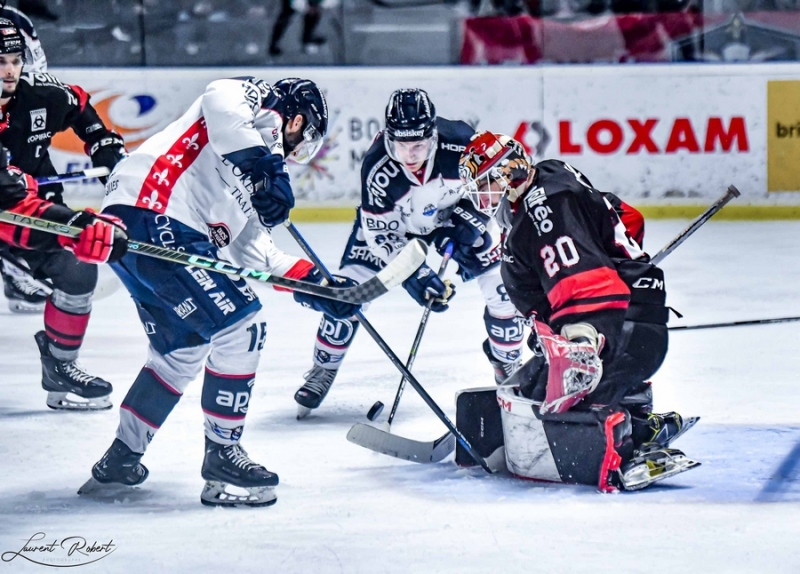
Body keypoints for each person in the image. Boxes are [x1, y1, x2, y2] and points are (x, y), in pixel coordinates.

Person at [81, 76, 361, 508]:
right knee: (242, 328)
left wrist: (318, 286)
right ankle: (222, 455)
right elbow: (220, 100)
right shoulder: (251, 99)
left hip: (146, 230)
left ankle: (121, 457)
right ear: (297, 120)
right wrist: (266, 168)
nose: (297, 154)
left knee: (181, 350)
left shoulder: (249, 187)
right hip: (156, 211)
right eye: (303, 142)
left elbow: (257, 254)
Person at [454, 131, 699, 491]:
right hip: (633, 319)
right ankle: (640, 419)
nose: (482, 195)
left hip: (615, 327)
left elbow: (586, 285)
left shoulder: (541, 209)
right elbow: (628, 218)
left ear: (506, 173)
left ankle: (632, 446)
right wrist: (630, 271)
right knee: (538, 385)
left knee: (556, 403)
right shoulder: (554, 180)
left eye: (485, 182)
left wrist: (581, 334)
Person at [294, 89, 525, 419]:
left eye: (418, 143)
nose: (410, 152)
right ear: (389, 136)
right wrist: (414, 274)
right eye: (402, 143)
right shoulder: (377, 167)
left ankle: (508, 364)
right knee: (348, 292)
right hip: (396, 228)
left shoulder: (461, 142)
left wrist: (471, 218)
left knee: (504, 293)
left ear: (432, 134)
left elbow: (497, 181)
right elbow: (380, 235)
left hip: (453, 218)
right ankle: (323, 368)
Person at [0, 17, 126, 410]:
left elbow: (78, 102)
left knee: (77, 269)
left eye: (14, 59)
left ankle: (60, 367)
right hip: (13, 207)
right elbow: (10, 199)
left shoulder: (38, 92)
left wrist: (101, 140)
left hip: (23, 208)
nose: (9, 69)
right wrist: (74, 224)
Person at [0, 4, 51, 312]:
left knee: (25, 187)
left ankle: (18, 272)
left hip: (11, 116)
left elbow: (36, 70)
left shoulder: (17, 20)